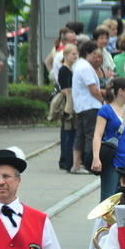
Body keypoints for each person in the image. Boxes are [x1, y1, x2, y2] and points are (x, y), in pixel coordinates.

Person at [92, 77, 125, 199]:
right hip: (112, 161)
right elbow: (97, 135)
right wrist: (96, 158)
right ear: (120, 91)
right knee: (108, 199)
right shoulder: (105, 110)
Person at [71, 41, 105, 174]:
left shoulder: (79, 65)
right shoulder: (86, 68)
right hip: (90, 105)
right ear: (88, 54)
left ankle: (76, 164)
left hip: (81, 105)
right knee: (91, 135)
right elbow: (93, 90)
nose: (96, 57)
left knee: (80, 135)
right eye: (94, 54)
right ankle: (89, 163)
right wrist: (103, 101)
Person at [53, 44, 78, 172]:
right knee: (67, 132)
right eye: (73, 54)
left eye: (76, 54)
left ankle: (66, 159)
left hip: (70, 102)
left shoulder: (71, 69)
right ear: (66, 55)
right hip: (67, 105)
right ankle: (66, 160)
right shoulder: (64, 70)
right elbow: (64, 89)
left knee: (68, 132)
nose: (75, 56)